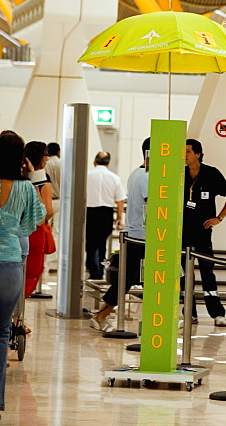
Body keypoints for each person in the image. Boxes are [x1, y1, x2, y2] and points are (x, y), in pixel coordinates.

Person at [0, 131, 45, 423]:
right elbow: (35, 220)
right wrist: (33, 178)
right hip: (9, 267)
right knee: (0, 334)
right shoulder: (25, 189)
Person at [90, 138, 149, 331]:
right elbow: (150, 205)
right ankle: (101, 315)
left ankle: (101, 313)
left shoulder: (135, 174)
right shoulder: (147, 177)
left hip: (131, 231)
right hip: (141, 235)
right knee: (126, 279)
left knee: (125, 278)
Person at [181, 139, 226, 327]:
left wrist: (218, 218)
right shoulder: (179, 174)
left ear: (198, 154)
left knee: (207, 272)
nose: (185, 155)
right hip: (182, 233)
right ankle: (189, 313)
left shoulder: (211, 174)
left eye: (188, 151)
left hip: (202, 233)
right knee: (184, 275)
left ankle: (217, 313)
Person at [85, 152, 126, 280]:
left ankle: (93, 270)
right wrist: (119, 218)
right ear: (108, 163)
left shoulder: (87, 175)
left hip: (90, 211)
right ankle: (100, 269)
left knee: (91, 243)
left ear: (94, 161)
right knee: (102, 243)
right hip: (106, 213)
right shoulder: (114, 178)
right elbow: (120, 200)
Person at [23, 141, 54, 297]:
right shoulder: (42, 179)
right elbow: (47, 211)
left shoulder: (18, 175)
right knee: (31, 272)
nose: (47, 159)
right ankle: (16, 316)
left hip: (16, 230)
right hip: (35, 231)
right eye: (46, 155)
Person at [45, 143, 61, 272]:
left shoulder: (46, 164)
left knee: (45, 230)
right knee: (57, 231)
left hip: (47, 199)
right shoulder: (63, 164)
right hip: (61, 201)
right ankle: (54, 263)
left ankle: (45, 262)